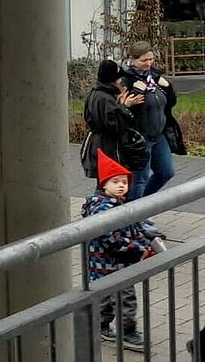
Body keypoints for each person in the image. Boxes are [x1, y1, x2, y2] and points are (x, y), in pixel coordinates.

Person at [83, 149, 154, 351]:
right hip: (114, 263)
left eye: (124, 182)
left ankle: (101, 326)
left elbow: (133, 228)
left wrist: (145, 238)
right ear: (103, 184)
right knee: (125, 298)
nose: (122, 186)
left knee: (106, 296)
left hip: (103, 265)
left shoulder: (118, 204)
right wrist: (136, 249)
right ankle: (128, 332)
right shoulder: (104, 209)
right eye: (115, 182)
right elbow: (111, 238)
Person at [121, 42, 182, 198]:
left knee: (166, 172)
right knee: (139, 179)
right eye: (144, 60)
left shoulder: (154, 77)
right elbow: (125, 110)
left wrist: (167, 86)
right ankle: (131, 219)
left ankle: (142, 209)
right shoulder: (125, 80)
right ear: (132, 59)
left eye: (151, 59)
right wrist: (136, 91)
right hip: (140, 138)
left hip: (159, 135)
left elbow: (171, 102)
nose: (148, 63)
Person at [83, 59, 148, 179]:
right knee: (110, 180)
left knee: (105, 180)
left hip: (97, 143)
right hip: (108, 146)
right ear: (113, 79)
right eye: (119, 78)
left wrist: (119, 105)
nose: (121, 81)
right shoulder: (106, 98)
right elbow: (115, 125)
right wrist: (125, 107)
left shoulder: (95, 93)